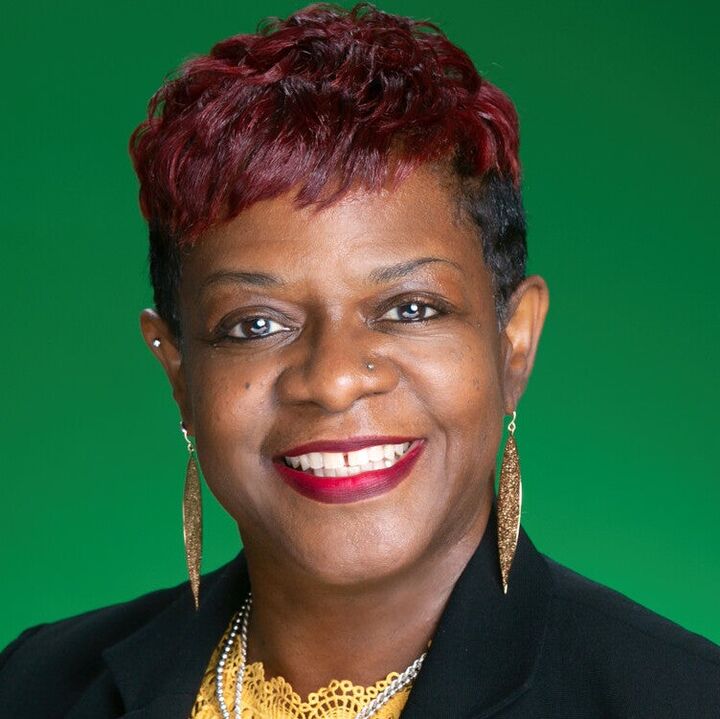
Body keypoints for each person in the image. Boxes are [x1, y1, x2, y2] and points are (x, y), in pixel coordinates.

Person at [1, 3, 718, 717]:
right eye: (256, 323)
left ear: (514, 344)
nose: (335, 379)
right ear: (179, 373)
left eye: (410, 309)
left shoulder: (681, 699)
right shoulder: (34, 686)